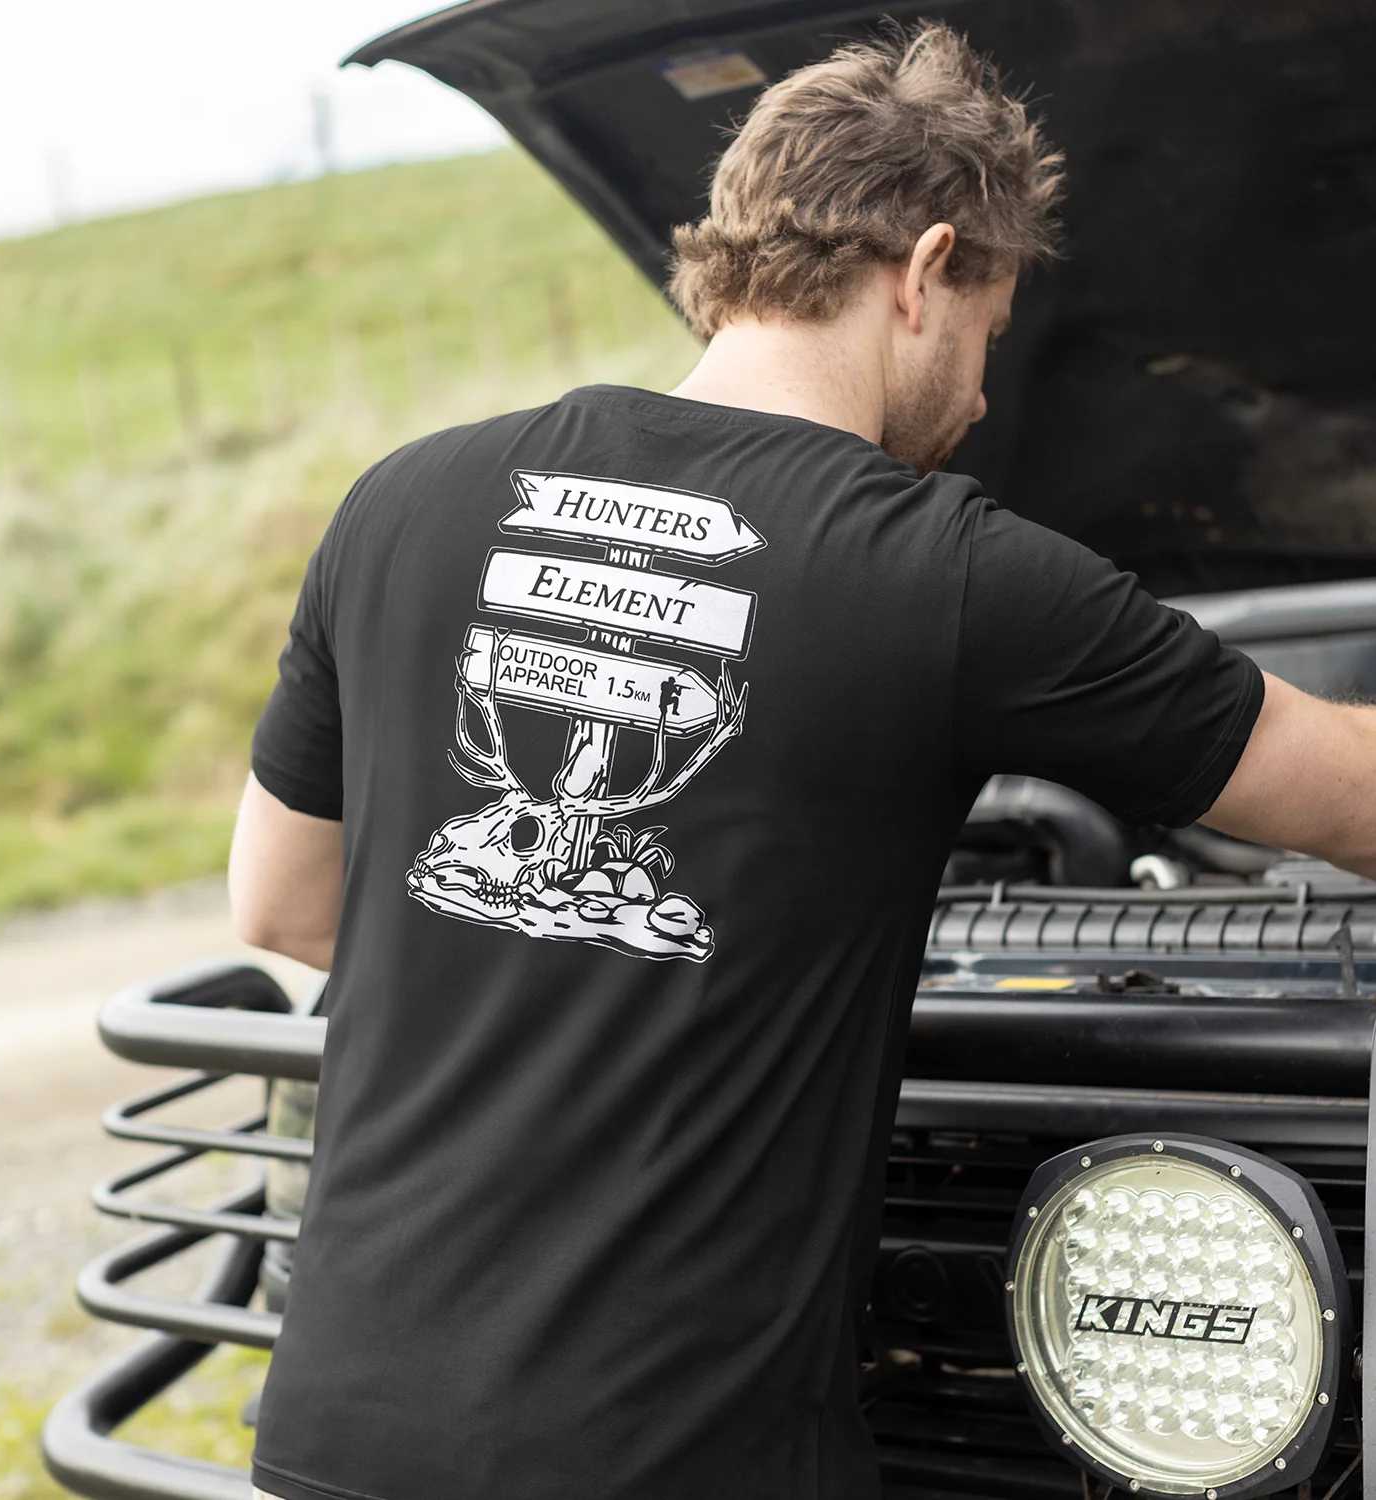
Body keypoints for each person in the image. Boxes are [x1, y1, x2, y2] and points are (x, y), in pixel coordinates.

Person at [231, 23, 1376, 1500]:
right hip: (675, 1463)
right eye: (990, 332)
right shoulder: (949, 573)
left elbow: (281, 904)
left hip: (338, 1435)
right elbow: (1347, 799)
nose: (982, 400)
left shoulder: (402, 500)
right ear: (926, 270)